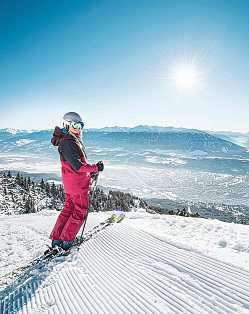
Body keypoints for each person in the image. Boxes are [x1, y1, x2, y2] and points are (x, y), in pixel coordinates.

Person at [49, 112, 104, 250]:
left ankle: (57, 240)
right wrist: (95, 168)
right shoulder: (69, 142)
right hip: (78, 186)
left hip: (71, 184)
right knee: (80, 211)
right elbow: (78, 166)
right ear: (67, 125)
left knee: (68, 210)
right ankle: (67, 241)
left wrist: (90, 172)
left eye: (80, 125)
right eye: (74, 125)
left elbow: (75, 165)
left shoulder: (68, 140)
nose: (78, 128)